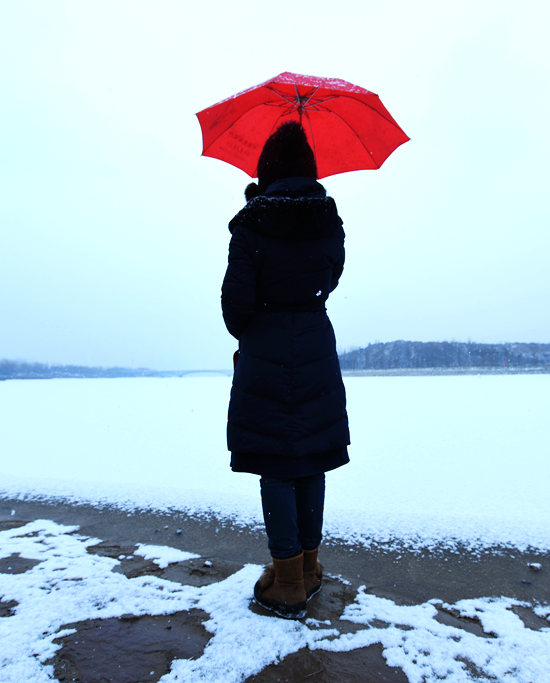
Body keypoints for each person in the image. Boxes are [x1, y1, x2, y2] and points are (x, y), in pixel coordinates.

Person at [221, 121, 350, 620]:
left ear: (265, 171)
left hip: (266, 350)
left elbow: (236, 310)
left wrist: (256, 212)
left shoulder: (251, 224)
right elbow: (330, 278)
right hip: (315, 344)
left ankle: (288, 581)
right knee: (310, 458)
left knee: (276, 462)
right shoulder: (329, 220)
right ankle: (306, 567)